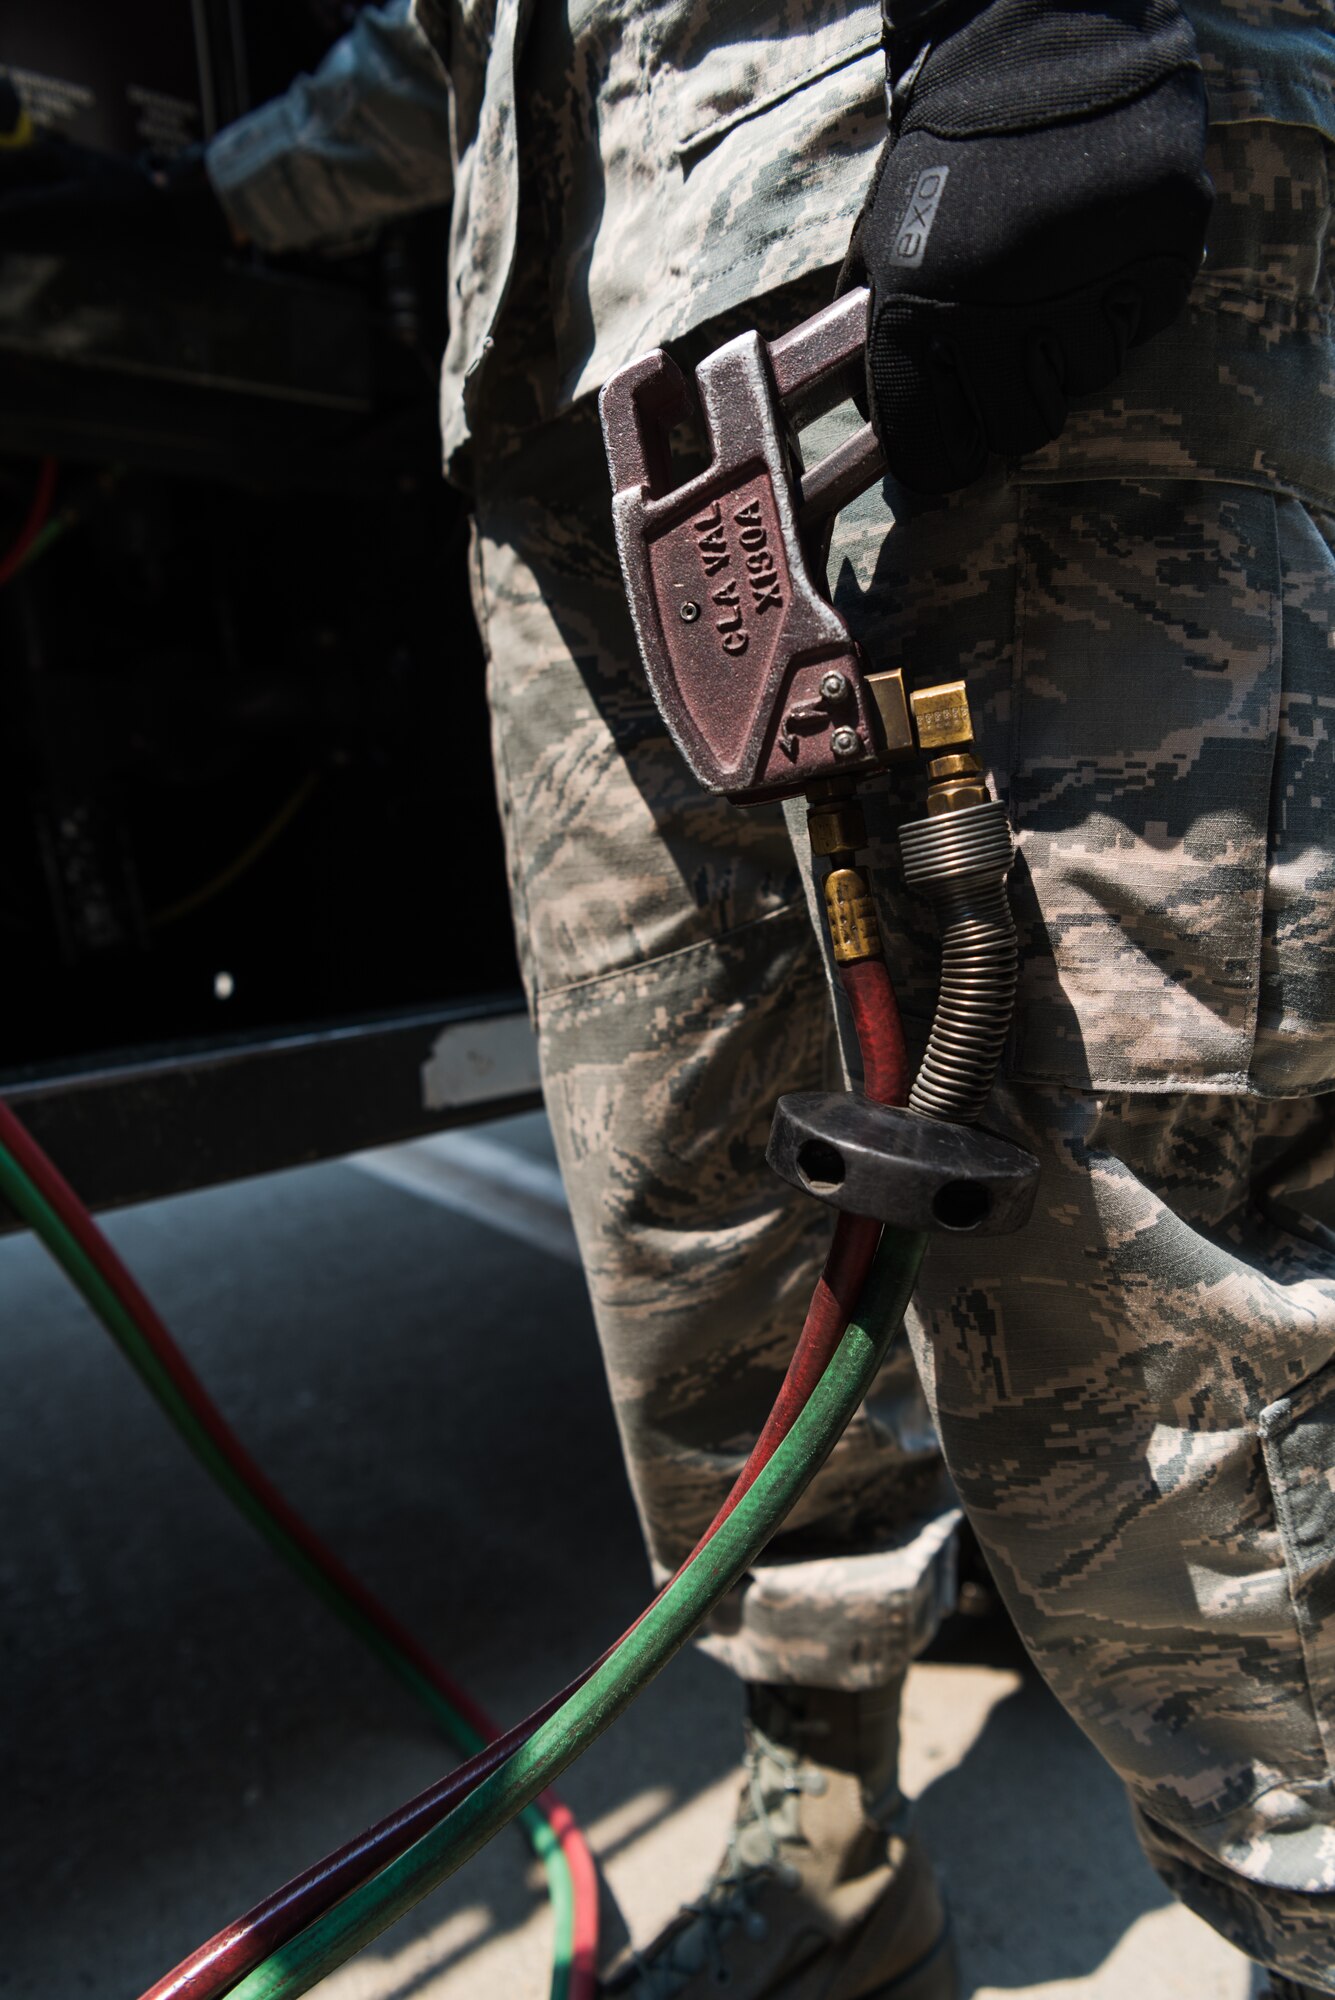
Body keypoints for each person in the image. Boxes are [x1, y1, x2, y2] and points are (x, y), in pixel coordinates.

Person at [4, 3, 1332, 1994]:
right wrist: (203, 187)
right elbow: (441, 46)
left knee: (1128, 1259)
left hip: (978, 231)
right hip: (583, 420)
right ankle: (819, 1820)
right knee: (688, 1210)